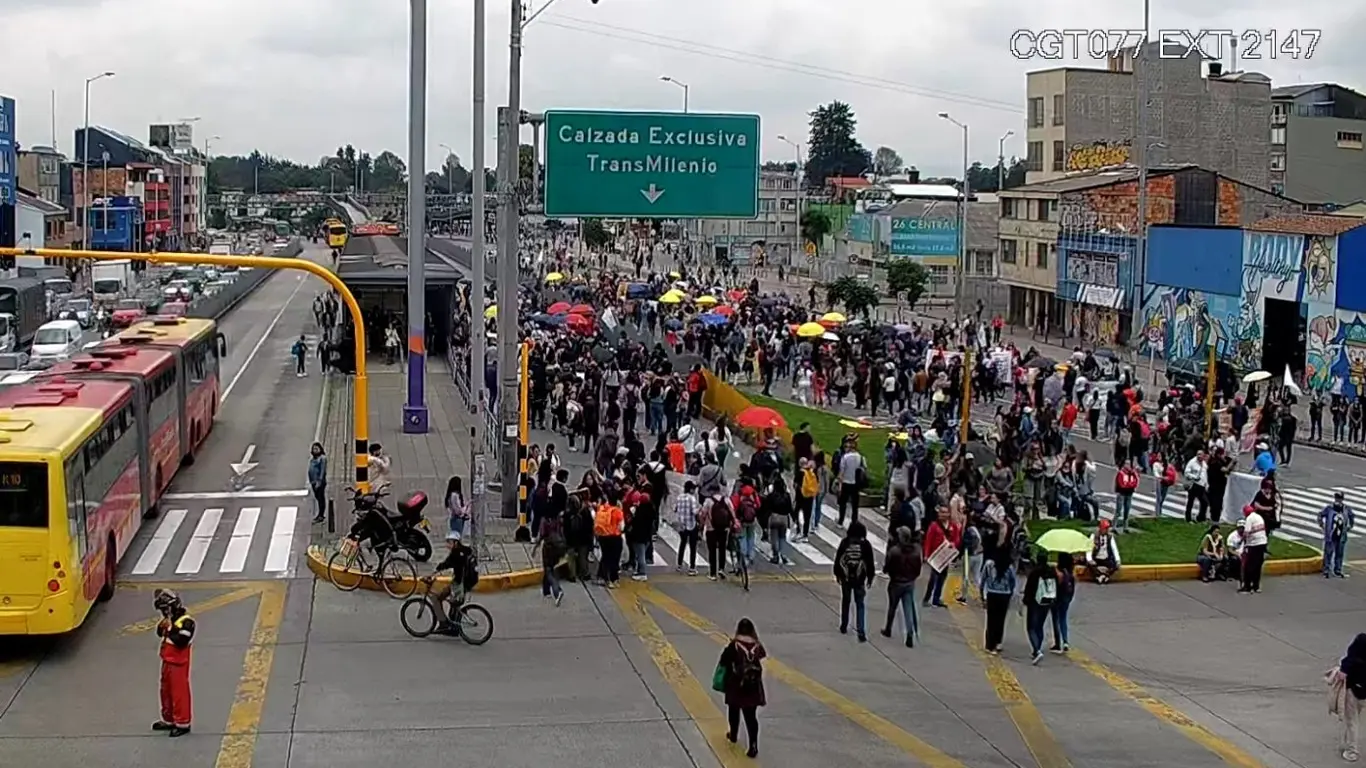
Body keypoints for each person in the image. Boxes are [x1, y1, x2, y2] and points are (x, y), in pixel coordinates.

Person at [717, 618, 766, 758]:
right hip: (753, 686)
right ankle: (753, 745)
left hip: (736, 684)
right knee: (751, 717)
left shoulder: (735, 645)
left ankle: (733, 734)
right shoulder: (756, 645)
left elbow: (724, 660)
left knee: (733, 709)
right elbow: (762, 655)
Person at [152, 589, 195, 737]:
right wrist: (163, 626)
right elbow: (159, 632)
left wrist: (170, 628)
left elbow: (181, 641)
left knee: (179, 693)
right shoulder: (170, 621)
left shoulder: (187, 622)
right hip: (167, 660)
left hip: (178, 664)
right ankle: (169, 719)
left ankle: (183, 723)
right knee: (165, 691)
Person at [833, 520, 876, 641]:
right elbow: (870, 562)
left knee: (846, 601)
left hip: (846, 578)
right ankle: (861, 631)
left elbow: (838, 559)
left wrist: (837, 574)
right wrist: (870, 577)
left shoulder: (845, 543)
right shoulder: (865, 545)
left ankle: (844, 625)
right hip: (859, 579)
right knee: (860, 604)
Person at [881, 526, 922, 648]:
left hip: (896, 582)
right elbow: (918, 569)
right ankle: (910, 632)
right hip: (909, 582)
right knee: (908, 608)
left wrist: (890, 573)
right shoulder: (916, 551)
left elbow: (887, 567)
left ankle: (888, 628)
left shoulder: (894, 551)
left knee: (892, 607)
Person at [431, 531, 480, 629]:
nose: (447, 545)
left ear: (456, 543)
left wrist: (434, 572)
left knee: (437, 598)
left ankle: (445, 624)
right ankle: (452, 624)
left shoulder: (456, 554)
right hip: (468, 582)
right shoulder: (466, 550)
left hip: (459, 584)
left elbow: (446, 564)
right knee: (452, 603)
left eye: (449, 542)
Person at [1330, 633, 1366, 762]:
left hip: (1355, 687)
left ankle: (1352, 751)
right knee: (1355, 716)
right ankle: (1345, 744)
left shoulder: (1362, 640)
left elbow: (1350, 658)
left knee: (1352, 721)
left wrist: (1342, 670)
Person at [1022, 550, 1058, 665]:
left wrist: (1024, 602)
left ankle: (1037, 650)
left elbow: (1029, 588)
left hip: (1034, 602)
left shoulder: (1035, 572)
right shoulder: (1051, 571)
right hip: (1047, 601)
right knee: (1040, 626)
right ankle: (1037, 649)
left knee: (1031, 627)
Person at [980, 548, 1016, 655]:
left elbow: (982, 580)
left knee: (991, 620)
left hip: (992, 594)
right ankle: (998, 642)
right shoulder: (1009, 567)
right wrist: (1010, 592)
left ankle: (989, 645)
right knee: (1001, 620)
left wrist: (982, 595)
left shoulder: (989, 565)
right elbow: (1013, 581)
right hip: (1005, 595)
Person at [1319, 491, 1356, 579]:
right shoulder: (1329, 508)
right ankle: (1326, 570)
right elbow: (1320, 515)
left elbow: (1352, 516)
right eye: (1337, 498)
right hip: (1331, 535)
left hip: (1341, 536)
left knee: (1339, 553)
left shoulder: (1346, 509)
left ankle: (1338, 570)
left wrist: (1350, 526)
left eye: (1340, 498)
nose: (1338, 500)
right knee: (1328, 553)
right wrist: (1322, 524)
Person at [1050, 552, 1076, 654]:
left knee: (1055, 619)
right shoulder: (1070, 573)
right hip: (1066, 598)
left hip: (1057, 598)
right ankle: (1065, 641)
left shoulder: (1058, 571)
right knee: (1063, 619)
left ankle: (1057, 643)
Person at [1240, 503, 1268, 594]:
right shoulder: (1259, 517)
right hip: (1263, 543)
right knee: (1258, 565)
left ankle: (1247, 587)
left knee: (1249, 566)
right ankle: (1256, 586)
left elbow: (1246, 533)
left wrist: (1242, 541)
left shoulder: (1249, 519)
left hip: (1254, 545)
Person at [444, 475, 469, 541]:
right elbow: (457, 510)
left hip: (456, 519)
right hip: (457, 519)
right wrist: (465, 508)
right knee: (457, 538)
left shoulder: (451, 495)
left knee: (456, 537)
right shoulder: (454, 496)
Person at [308, 442, 328, 523]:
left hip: (319, 482)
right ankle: (320, 514)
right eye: (314, 449)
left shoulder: (322, 458)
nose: (315, 450)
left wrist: (319, 482)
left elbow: (322, 471)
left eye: (317, 449)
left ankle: (321, 515)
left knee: (320, 498)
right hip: (313, 482)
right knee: (318, 498)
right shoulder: (313, 459)